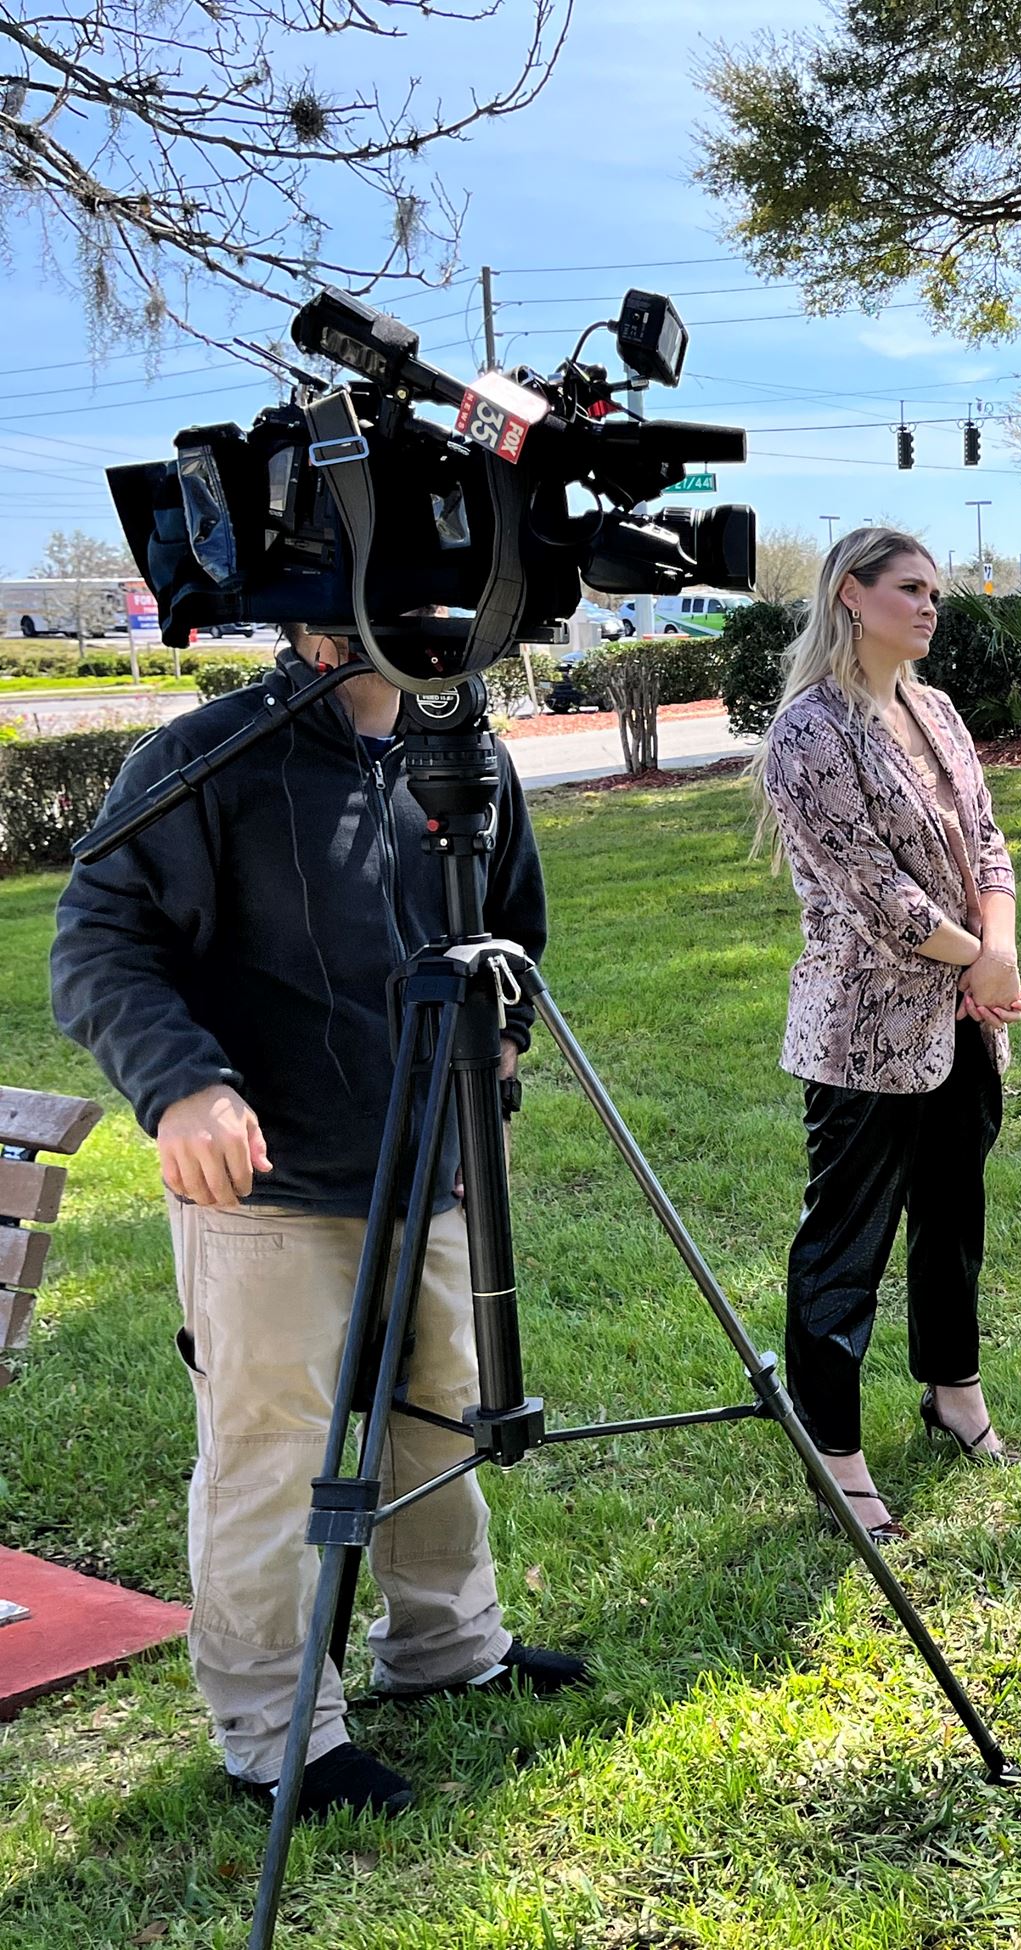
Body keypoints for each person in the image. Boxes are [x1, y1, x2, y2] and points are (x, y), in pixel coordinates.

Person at [51, 624, 588, 1819]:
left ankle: (449, 1651)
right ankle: (274, 1729)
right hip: (270, 1189)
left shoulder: (473, 759)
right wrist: (181, 1082)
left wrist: (499, 1049)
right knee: (272, 1456)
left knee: (444, 1417)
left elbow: (511, 932)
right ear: (309, 616)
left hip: (439, 1172)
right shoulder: (208, 757)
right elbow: (97, 943)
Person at [758, 526, 1021, 1539]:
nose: (929, 605)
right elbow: (873, 895)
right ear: (850, 598)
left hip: (962, 1015)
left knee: (953, 1217)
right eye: (909, 589)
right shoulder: (806, 735)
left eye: (934, 591)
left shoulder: (936, 708)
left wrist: (993, 952)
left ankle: (951, 1393)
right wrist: (980, 960)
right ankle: (835, 1452)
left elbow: (989, 843)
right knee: (845, 1243)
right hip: (861, 1035)